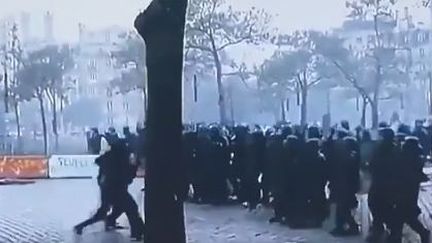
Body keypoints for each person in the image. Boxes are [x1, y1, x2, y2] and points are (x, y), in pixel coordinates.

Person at [387, 137, 430, 243]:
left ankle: (396, 238)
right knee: (404, 217)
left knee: (403, 216)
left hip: (403, 192)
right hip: (410, 192)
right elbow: (420, 176)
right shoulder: (416, 158)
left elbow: (398, 173)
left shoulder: (404, 158)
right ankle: (396, 238)